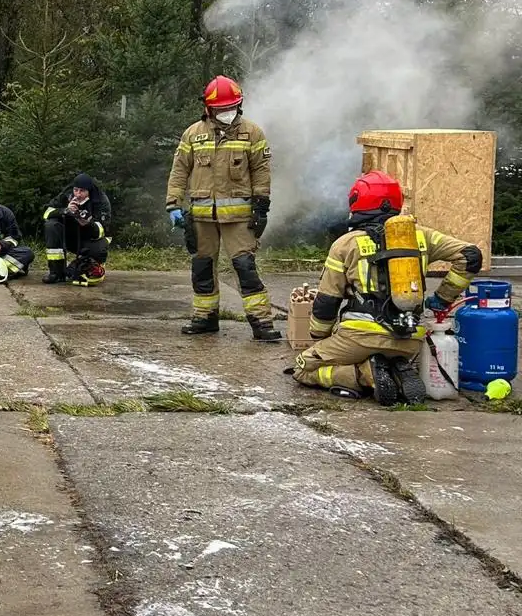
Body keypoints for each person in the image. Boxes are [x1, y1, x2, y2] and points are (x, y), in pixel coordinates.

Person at [290, 172, 482, 404]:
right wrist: (443, 298)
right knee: (392, 354)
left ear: (357, 202)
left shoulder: (345, 245)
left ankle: (364, 374)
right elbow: (470, 256)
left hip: (360, 338)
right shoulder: (422, 236)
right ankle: (396, 370)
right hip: (410, 340)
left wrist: (319, 337)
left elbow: (326, 303)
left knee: (302, 368)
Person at [166, 76, 281, 341]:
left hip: (239, 219)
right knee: (203, 267)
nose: (226, 113)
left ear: (239, 106)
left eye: (231, 107)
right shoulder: (193, 134)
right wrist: (173, 204)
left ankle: (262, 323)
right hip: (202, 217)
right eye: (221, 109)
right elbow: (179, 170)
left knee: (245, 267)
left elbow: (261, 171)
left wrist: (261, 206)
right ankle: (205, 318)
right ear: (208, 108)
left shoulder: (252, 133)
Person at [43, 173, 111, 285]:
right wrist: (65, 211)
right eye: (76, 190)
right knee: (51, 225)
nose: (78, 194)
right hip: (70, 236)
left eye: (82, 191)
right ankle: (56, 273)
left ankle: (81, 267)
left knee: (99, 251)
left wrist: (86, 222)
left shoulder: (101, 200)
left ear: (89, 191)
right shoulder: (67, 194)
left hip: (90, 239)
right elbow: (47, 213)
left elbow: (102, 230)